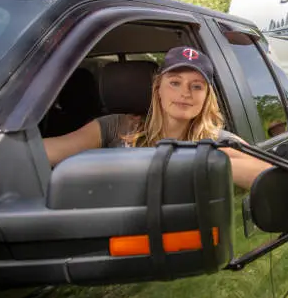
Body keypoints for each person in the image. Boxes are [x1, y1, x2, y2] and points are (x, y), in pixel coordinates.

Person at [44, 46, 272, 190]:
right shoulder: (115, 127)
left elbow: (267, 174)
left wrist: (209, 161)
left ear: (206, 97)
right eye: (175, 83)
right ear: (158, 89)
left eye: (196, 86)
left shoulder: (217, 141)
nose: (185, 93)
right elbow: (49, 152)